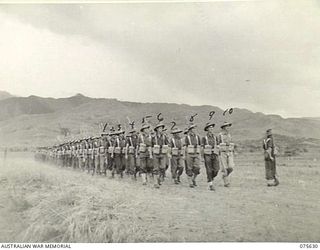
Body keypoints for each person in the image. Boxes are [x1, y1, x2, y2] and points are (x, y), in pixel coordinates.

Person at [202, 122, 220, 191]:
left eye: (212, 127)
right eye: (210, 127)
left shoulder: (215, 137)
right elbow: (202, 147)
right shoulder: (204, 138)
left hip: (215, 154)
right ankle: (211, 184)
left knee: (216, 169)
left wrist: (218, 148)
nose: (211, 128)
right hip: (207, 155)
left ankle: (210, 178)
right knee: (209, 170)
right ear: (207, 129)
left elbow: (218, 144)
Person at [152, 122, 169, 188]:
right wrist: (151, 154)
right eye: (159, 128)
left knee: (163, 167)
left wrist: (168, 152)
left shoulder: (164, 137)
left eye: (162, 128)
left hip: (163, 154)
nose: (161, 129)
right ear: (157, 129)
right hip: (156, 154)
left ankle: (159, 178)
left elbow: (168, 145)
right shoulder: (153, 137)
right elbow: (150, 146)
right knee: (156, 168)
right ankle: (155, 183)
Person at [218, 122, 235, 187]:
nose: (228, 127)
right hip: (223, 152)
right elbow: (218, 144)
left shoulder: (229, 135)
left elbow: (231, 143)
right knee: (224, 168)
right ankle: (226, 182)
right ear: (224, 127)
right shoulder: (220, 135)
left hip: (230, 152)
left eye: (228, 126)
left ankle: (225, 176)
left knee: (231, 167)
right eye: (226, 126)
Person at [184, 124, 201, 188]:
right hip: (189, 153)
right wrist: (184, 155)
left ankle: (194, 179)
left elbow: (200, 145)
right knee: (189, 168)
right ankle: (190, 182)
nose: (194, 130)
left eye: (195, 128)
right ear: (190, 130)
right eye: (193, 128)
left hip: (196, 153)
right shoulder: (187, 137)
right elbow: (185, 146)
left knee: (197, 167)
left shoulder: (198, 137)